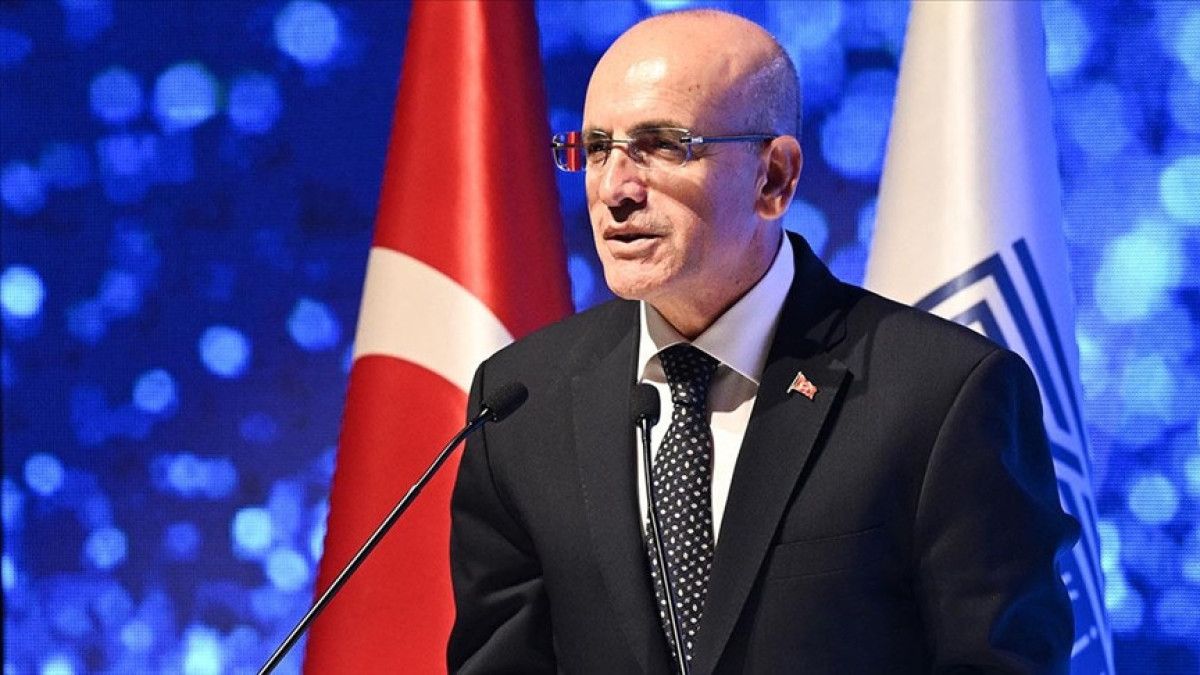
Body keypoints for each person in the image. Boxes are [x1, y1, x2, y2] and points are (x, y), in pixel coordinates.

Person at [448, 9, 1078, 674]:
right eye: (598, 148)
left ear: (774, 177)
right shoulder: (520, 402)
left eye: (662, 146)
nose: (614, 190)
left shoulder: (942, 395)